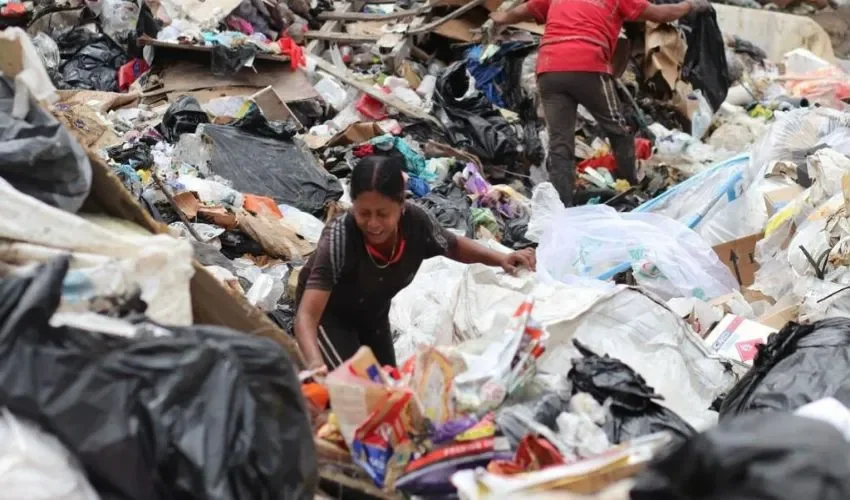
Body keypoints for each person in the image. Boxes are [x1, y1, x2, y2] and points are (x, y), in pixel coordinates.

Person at [294, 155, 536, 372]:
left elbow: (452, 246)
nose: (374, 224)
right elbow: (306, 316)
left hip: (373, 314)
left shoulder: (416, 223)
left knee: (391, 387)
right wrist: (316, 365)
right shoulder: (340, 238)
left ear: (401, 206)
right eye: (364, 214)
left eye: (383, 214)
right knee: (359, 392)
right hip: (330, 318)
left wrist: (502, 259)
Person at [490, 0, 711, 207]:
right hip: (587, 65)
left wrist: (503, 17)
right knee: (619, 131)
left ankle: (562, 206)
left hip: (549, 69)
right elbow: (660, 13)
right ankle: (631, 186)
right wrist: (691, 5)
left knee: (560, 143)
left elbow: (527, 8)